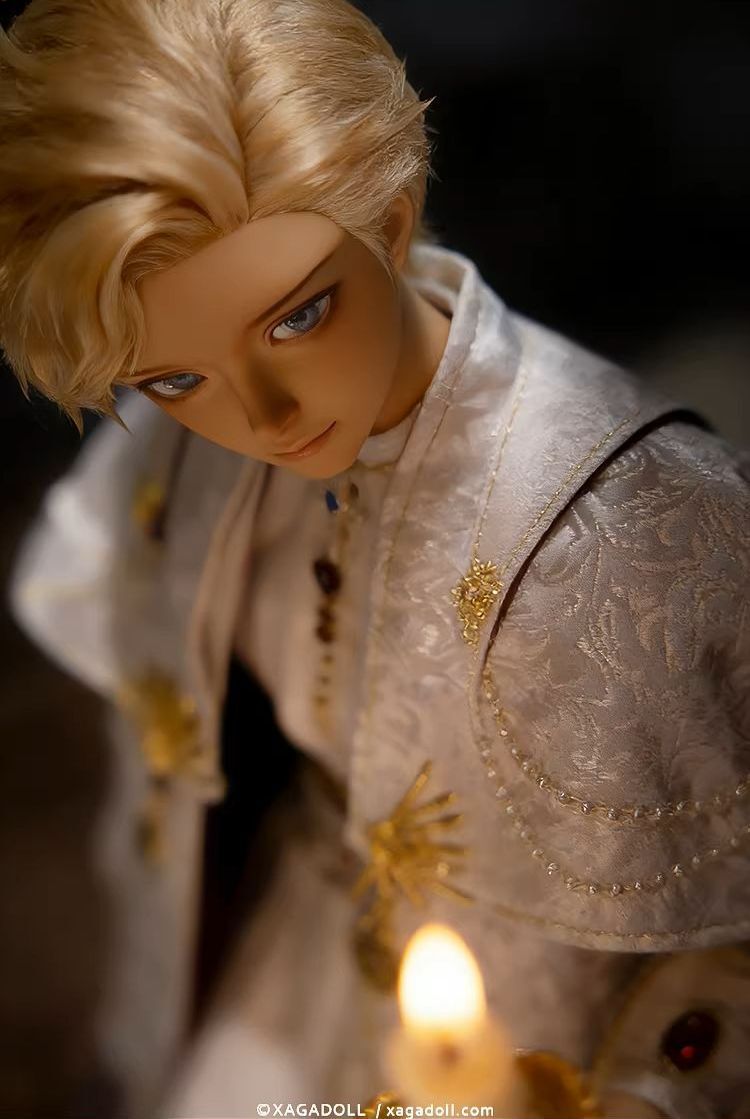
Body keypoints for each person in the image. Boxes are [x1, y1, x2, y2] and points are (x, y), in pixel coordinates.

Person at [1, 2, 749, 1116]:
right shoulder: (195, 462)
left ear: (391, 224)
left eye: (297, 317)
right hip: (303, 950)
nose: (261, 413)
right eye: (176, 378)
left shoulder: (637, 531)